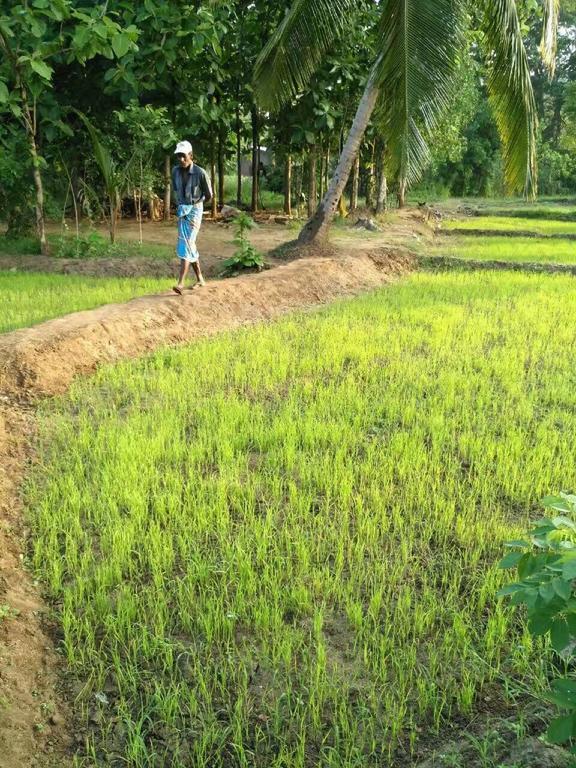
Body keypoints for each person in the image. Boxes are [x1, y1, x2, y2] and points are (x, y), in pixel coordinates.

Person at [171, 140, 213, 295]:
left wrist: (195, 203)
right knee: (189, 245)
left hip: (195, 211)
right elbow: (176, 190)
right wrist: (183, 206)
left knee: (187, 243)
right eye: (178, 156)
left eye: (183, 156)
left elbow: (208, 195)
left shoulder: (201, 173)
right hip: (183, 210)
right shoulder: (175, 171)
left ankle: (180, 283)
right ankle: (200, 278)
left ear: (190, 155)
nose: (181, 159)